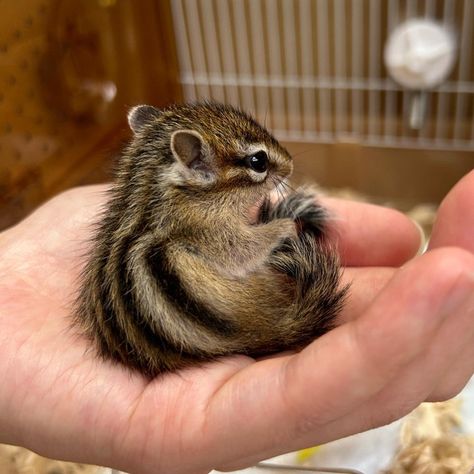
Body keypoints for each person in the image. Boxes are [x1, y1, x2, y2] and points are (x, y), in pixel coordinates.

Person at [0, 171, 472, 474]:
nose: (278, 169)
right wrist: (278, 230)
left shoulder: (149, 214)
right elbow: (236, 249)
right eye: (256, 162)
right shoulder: (191, 218)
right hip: (201, 316)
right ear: (194, 167)